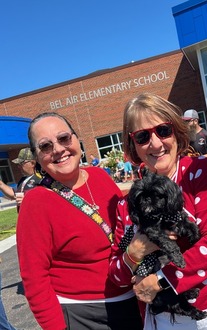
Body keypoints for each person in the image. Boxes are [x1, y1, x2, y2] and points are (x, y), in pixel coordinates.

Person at [109, 93, 207, 330]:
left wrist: (161, 280)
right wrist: (133, 254)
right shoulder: (127, 204)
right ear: (133, 145)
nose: (155, 144)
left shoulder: (198, 172)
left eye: (163, 130)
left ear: (176, 131)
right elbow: (116, 276)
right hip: (161, 320)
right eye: (143, 136)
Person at [16, 112, 142, 330]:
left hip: (133, 299)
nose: (58, 149)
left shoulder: (100, 176)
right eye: (45, 146)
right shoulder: (36, 202)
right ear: (37, 157)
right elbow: (35, 280)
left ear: (76, 140)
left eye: (64, 138)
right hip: (84, 314)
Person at [0, 147, 41, 212]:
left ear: (32, 163)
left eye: (21, 164)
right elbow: (14, 194)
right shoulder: (23, 179)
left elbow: (46, 199)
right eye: (18, 164)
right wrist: (1, 184)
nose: (19, 167)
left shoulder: (42, 179)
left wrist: (27, 200)